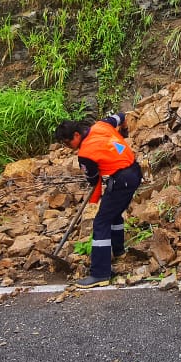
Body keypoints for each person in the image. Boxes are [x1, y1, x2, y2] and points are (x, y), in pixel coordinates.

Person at [53, 113, 143, 287]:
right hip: (134, 173)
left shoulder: (85, 154)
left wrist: (99, 173)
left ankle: (100, 273)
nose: (67, 147)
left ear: (77, 135)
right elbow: (122, 116)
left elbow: (94, 180)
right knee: (114, 214)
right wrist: (124, 131)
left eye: (67, 142)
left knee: (101, 222)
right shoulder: (102, 125)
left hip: (122, 180)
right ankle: (119, 252)